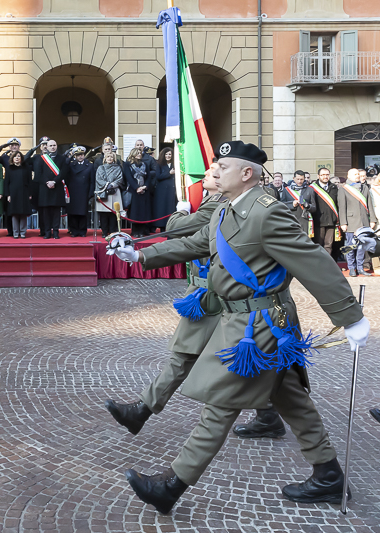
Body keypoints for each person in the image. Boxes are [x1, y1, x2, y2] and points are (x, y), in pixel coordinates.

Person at [111, 140, 369, 513]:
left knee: (221, 401)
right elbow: (197, 242)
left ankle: (171, 485)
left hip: (260, 324)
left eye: (222, 166)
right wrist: (140, 253)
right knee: (291, 399)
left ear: (246, 173)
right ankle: (328, 475)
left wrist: (350, 317)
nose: (213, 171)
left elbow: (313, 261)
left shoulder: (267, 212)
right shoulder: (224, 211)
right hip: (245, 319)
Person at [104, 162, 228, 435]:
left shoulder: (219, 205)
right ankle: (270, 414)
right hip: (209, 292)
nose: (205, 175)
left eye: (211, 172)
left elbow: (179, 231)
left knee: (183, 356)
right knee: (270, 365)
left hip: (214, 295)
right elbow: (192, 243)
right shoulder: (217, 202)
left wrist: (178, 213)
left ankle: (141, 411)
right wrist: (139, 255)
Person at [338, 168, 377, 277]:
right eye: (355, 174)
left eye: (358, 174)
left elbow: (370, 205)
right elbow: (342, 207)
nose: (357, 176)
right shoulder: (343, 189)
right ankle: (351, 268)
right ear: (349, 176)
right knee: (351, 246)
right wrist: (343, 223)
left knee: (362, 247)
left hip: (364, 222)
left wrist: (372, 219)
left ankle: (360, 268)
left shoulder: (364, 187)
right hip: (351, 222)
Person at [33, 139, 69, 239]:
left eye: (54, 145)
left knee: (56, 212)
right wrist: (47, 182)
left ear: (56, 146)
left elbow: (63, 173)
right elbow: (38, 174)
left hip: (57, 188)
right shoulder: (41, 159)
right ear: (47, 147)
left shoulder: (62, 159)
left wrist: (54, 181)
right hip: (45, 189)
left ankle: (56, 232)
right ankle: (47, 232)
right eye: (50, 145)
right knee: (46, 213)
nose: (52, 147)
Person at [310, 167, 340, 258]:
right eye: (323, 175)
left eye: (327, 175)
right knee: (318, 245)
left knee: (328, 245)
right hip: (318, 221)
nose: (325, 177)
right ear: (318, 176)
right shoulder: (312, 188)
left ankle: (327, 266)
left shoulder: (334, 188)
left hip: (331, 221)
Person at [122, 147, 153, 237]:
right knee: (135, 211)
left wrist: (145, 186)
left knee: (144, 211)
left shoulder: (145, 164)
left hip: (144, 191)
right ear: (133, 154)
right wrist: (136, 188)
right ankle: (135, 231)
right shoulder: (128, 164)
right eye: (138, 153)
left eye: (140, 153)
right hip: (134, 191)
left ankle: (142, 230)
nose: (139, 154)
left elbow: (148, 177)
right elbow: (128, 177)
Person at [66, 146, 95, 237]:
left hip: (84, 192)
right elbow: (65, 170)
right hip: (73, 191)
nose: (80, 157)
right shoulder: (71, 164)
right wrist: (69, 156)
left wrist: (90, 193)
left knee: (83, 213)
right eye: (78, 155)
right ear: (75, 156)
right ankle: (74, 231)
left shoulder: (89, 165)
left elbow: (92, 181)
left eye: (82, 154)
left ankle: (82, 231)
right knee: (73, 213)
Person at [280, 170, 316, 240]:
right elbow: (282, 205)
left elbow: (314, 207)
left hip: (305, 220)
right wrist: (292, 205)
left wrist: (308, 206)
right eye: (298, 179)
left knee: (305, 242)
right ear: (294, 178)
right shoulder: (287, 190)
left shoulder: (309, 190)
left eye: (301, 179)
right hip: (292, 219)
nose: (299, 181)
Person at [4, 151, 32, 239]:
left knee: (23, 213)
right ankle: (15, 232)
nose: (17, 158)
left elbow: (30, 181)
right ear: (12, 159)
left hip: (24, 193)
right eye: (15, 156)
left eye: (19, 156)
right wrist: (8, 194)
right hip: (13, 193)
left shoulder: (26, 168)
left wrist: (30, 193)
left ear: (21, 158)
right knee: (14, 213)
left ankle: (23, 232)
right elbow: (6, 183)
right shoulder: (9, 168)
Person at [95, 152, 125, 236]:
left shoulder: (118, 168)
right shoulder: (100, 168)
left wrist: (112, 185)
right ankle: (104, 232)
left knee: (113, 214)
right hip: (103, 192)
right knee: (103, 214)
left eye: (111, 157)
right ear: (105, 158)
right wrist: (106, 185)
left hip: (114, 192)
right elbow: (98, 179)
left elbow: (120, 178)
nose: (110, 158)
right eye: (108, 157)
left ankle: (112, 231)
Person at [152, 148, 178, 231]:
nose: (168, 156)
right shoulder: (159, 165)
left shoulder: (175, 164)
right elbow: (158, 177)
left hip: (172, 190)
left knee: (171, 208)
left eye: (170, 154)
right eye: (166, 154)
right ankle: (162, 227)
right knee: (162, 209)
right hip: (162, 191)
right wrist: (169, 173)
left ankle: (170, 226)